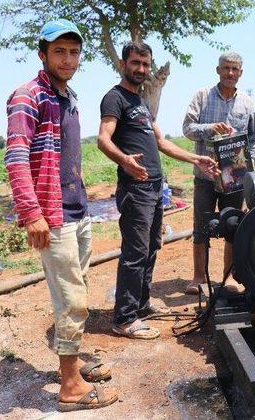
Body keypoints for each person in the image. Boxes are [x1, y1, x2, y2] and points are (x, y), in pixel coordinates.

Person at [5, 19, 117, 411]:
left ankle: (70, 366)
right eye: (59, 52)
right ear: (42, 54)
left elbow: (65, 154)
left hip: (78, 209)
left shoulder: (67, 97)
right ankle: (70, 388)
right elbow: (16, 157)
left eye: (73, 52)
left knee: (77, 290)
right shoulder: (28, 96)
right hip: (53, 216)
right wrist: (32, 213)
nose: (68, 59)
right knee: (72, 299)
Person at [97, 41, 219, 339]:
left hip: (154, 188)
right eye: (136, 63)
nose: (141, 69)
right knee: (135, 251)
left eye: (145, 64)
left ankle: (140, 305)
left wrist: (196, 158)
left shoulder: (140, 103)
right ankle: (124, 318)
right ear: (124, 64)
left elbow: (161, 142)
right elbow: (103, 139)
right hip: (135, 188)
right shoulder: (115, 99)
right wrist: (125, 160)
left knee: (151, 247)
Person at [182, 51, 255, 295]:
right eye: (226, 68)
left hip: (234, 179)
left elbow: (253, 139)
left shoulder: (247, 102)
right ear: (218, 70)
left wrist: (249, 164)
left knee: (233, 226)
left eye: (235, 69)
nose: (230, 73)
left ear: (241, 73)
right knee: (201, 226)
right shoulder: (202, 96)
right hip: (206, 176)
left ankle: (229, 278)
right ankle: (198, 278)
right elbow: (187, 128)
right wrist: (209, 129)